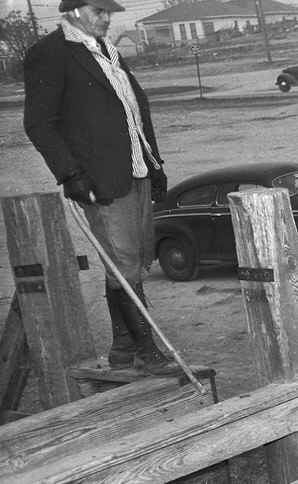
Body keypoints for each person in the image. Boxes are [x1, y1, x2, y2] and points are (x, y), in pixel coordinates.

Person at [23, 0, 182, 377]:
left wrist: (154, 165)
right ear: (73, 10)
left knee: (131, 261)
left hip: (136, 170)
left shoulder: (107, 49)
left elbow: (133, 111)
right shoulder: (49, 53)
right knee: (124, 264)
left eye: (110, 11)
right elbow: (39, 123)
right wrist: (70, 174)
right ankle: (146, 351)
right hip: (100, 180)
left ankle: (123, 350)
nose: (107, 18)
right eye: (99, 11)